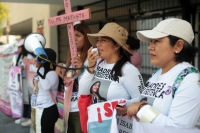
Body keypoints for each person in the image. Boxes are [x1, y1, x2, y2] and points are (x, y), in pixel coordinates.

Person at [127, 18, 200, 128]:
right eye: (151, 41)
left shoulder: (189, 81)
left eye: (157, 41)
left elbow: (177, 128)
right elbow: (147, 99)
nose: (150, 47)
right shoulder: (158, 72)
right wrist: (125, 105)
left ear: (178, 46)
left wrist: (141, 109)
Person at [79, 22, 144, 115]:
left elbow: (140, 99)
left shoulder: (128, 70)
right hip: (96, 124)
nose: (98, 44)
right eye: (98, 40)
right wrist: (90, 67)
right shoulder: (98, 63)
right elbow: (83, 91)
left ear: (116, 46)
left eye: (103, 40)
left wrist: (125, 106)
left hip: (117, 127)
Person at [56, 22, 92, 133]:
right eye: (71, 36)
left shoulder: (91, 59)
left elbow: (91, 86)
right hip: (66, 110)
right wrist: (60, 69)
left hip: (81, 110)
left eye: (78, 35)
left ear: (86, 38)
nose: (73, 39)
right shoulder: (69, 59)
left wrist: (81, 71)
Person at [31, 48, 59, 133]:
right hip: (42, 108)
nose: (36, 60)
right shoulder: (42, 72)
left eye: (39, 58)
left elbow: (46, 86)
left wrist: (41, 68)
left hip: (49, 109)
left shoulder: (52, 73)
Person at [14, 39, 33, 127]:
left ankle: (31, 118)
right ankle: (25, 116)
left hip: (29, 81)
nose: (18, 49)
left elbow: (32, 68)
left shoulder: (29, 56)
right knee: (25, 99)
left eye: (19, 47)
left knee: (30, 99)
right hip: (23, 81)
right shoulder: (21, 56)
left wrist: (24, 67)